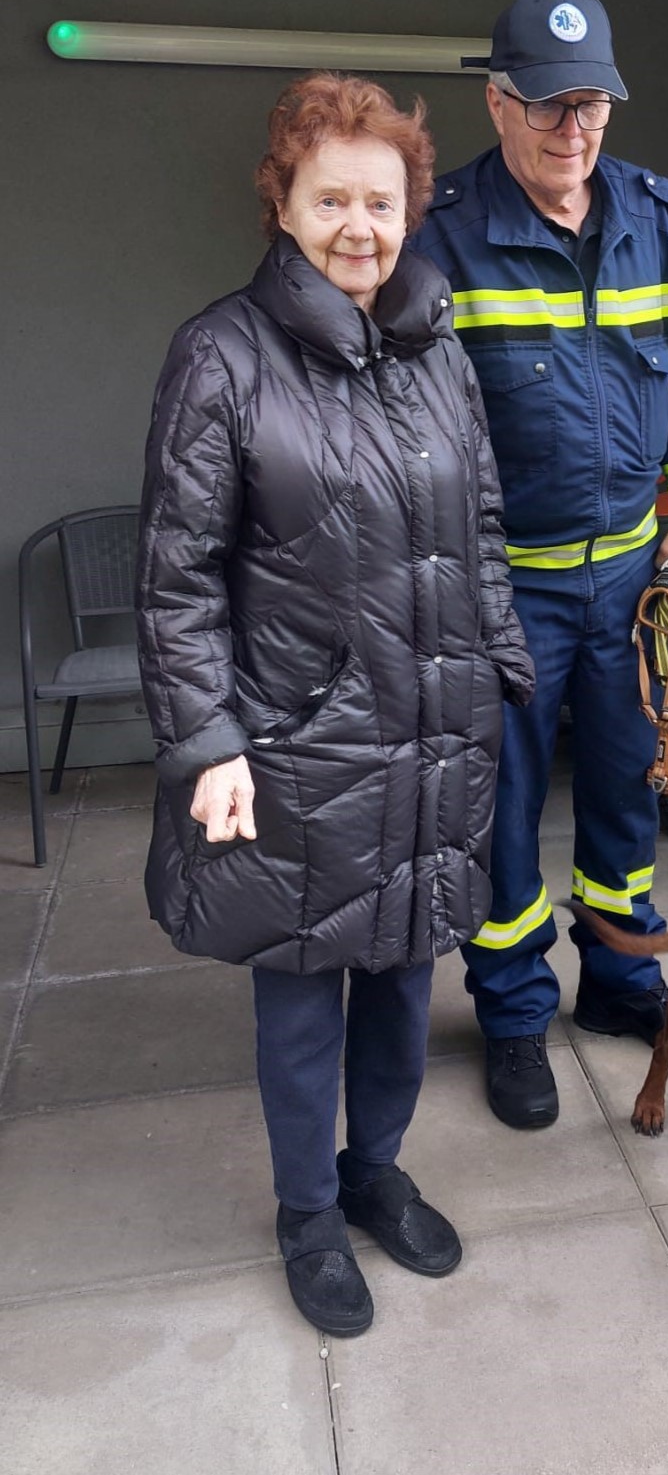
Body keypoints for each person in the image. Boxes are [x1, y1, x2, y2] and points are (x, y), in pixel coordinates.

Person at [136, 73, 534, 1337]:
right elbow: (178, 573)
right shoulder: (221, 356)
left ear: (411, 209)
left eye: (382, 201)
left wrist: (502, 662)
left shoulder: (437, 348)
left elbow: (479, 524)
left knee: (407, 976)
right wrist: (208, 741)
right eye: (330, 200)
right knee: (304, 995)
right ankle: (307, 1211)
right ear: (283, 203)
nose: (359, 226)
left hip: (433, 728)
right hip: (298, 744)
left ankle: (376, 1172)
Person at [413, 0, 668, 1130]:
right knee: (498, 813)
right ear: (498, 102)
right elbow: (410, 424)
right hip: (502, 589)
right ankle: (512, 1013)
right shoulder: (441, 235)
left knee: (624, 793)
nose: (571, 129)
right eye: (548, 104)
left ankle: (617, 980)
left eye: (590, 103)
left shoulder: (659, 216)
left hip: (632, 581)